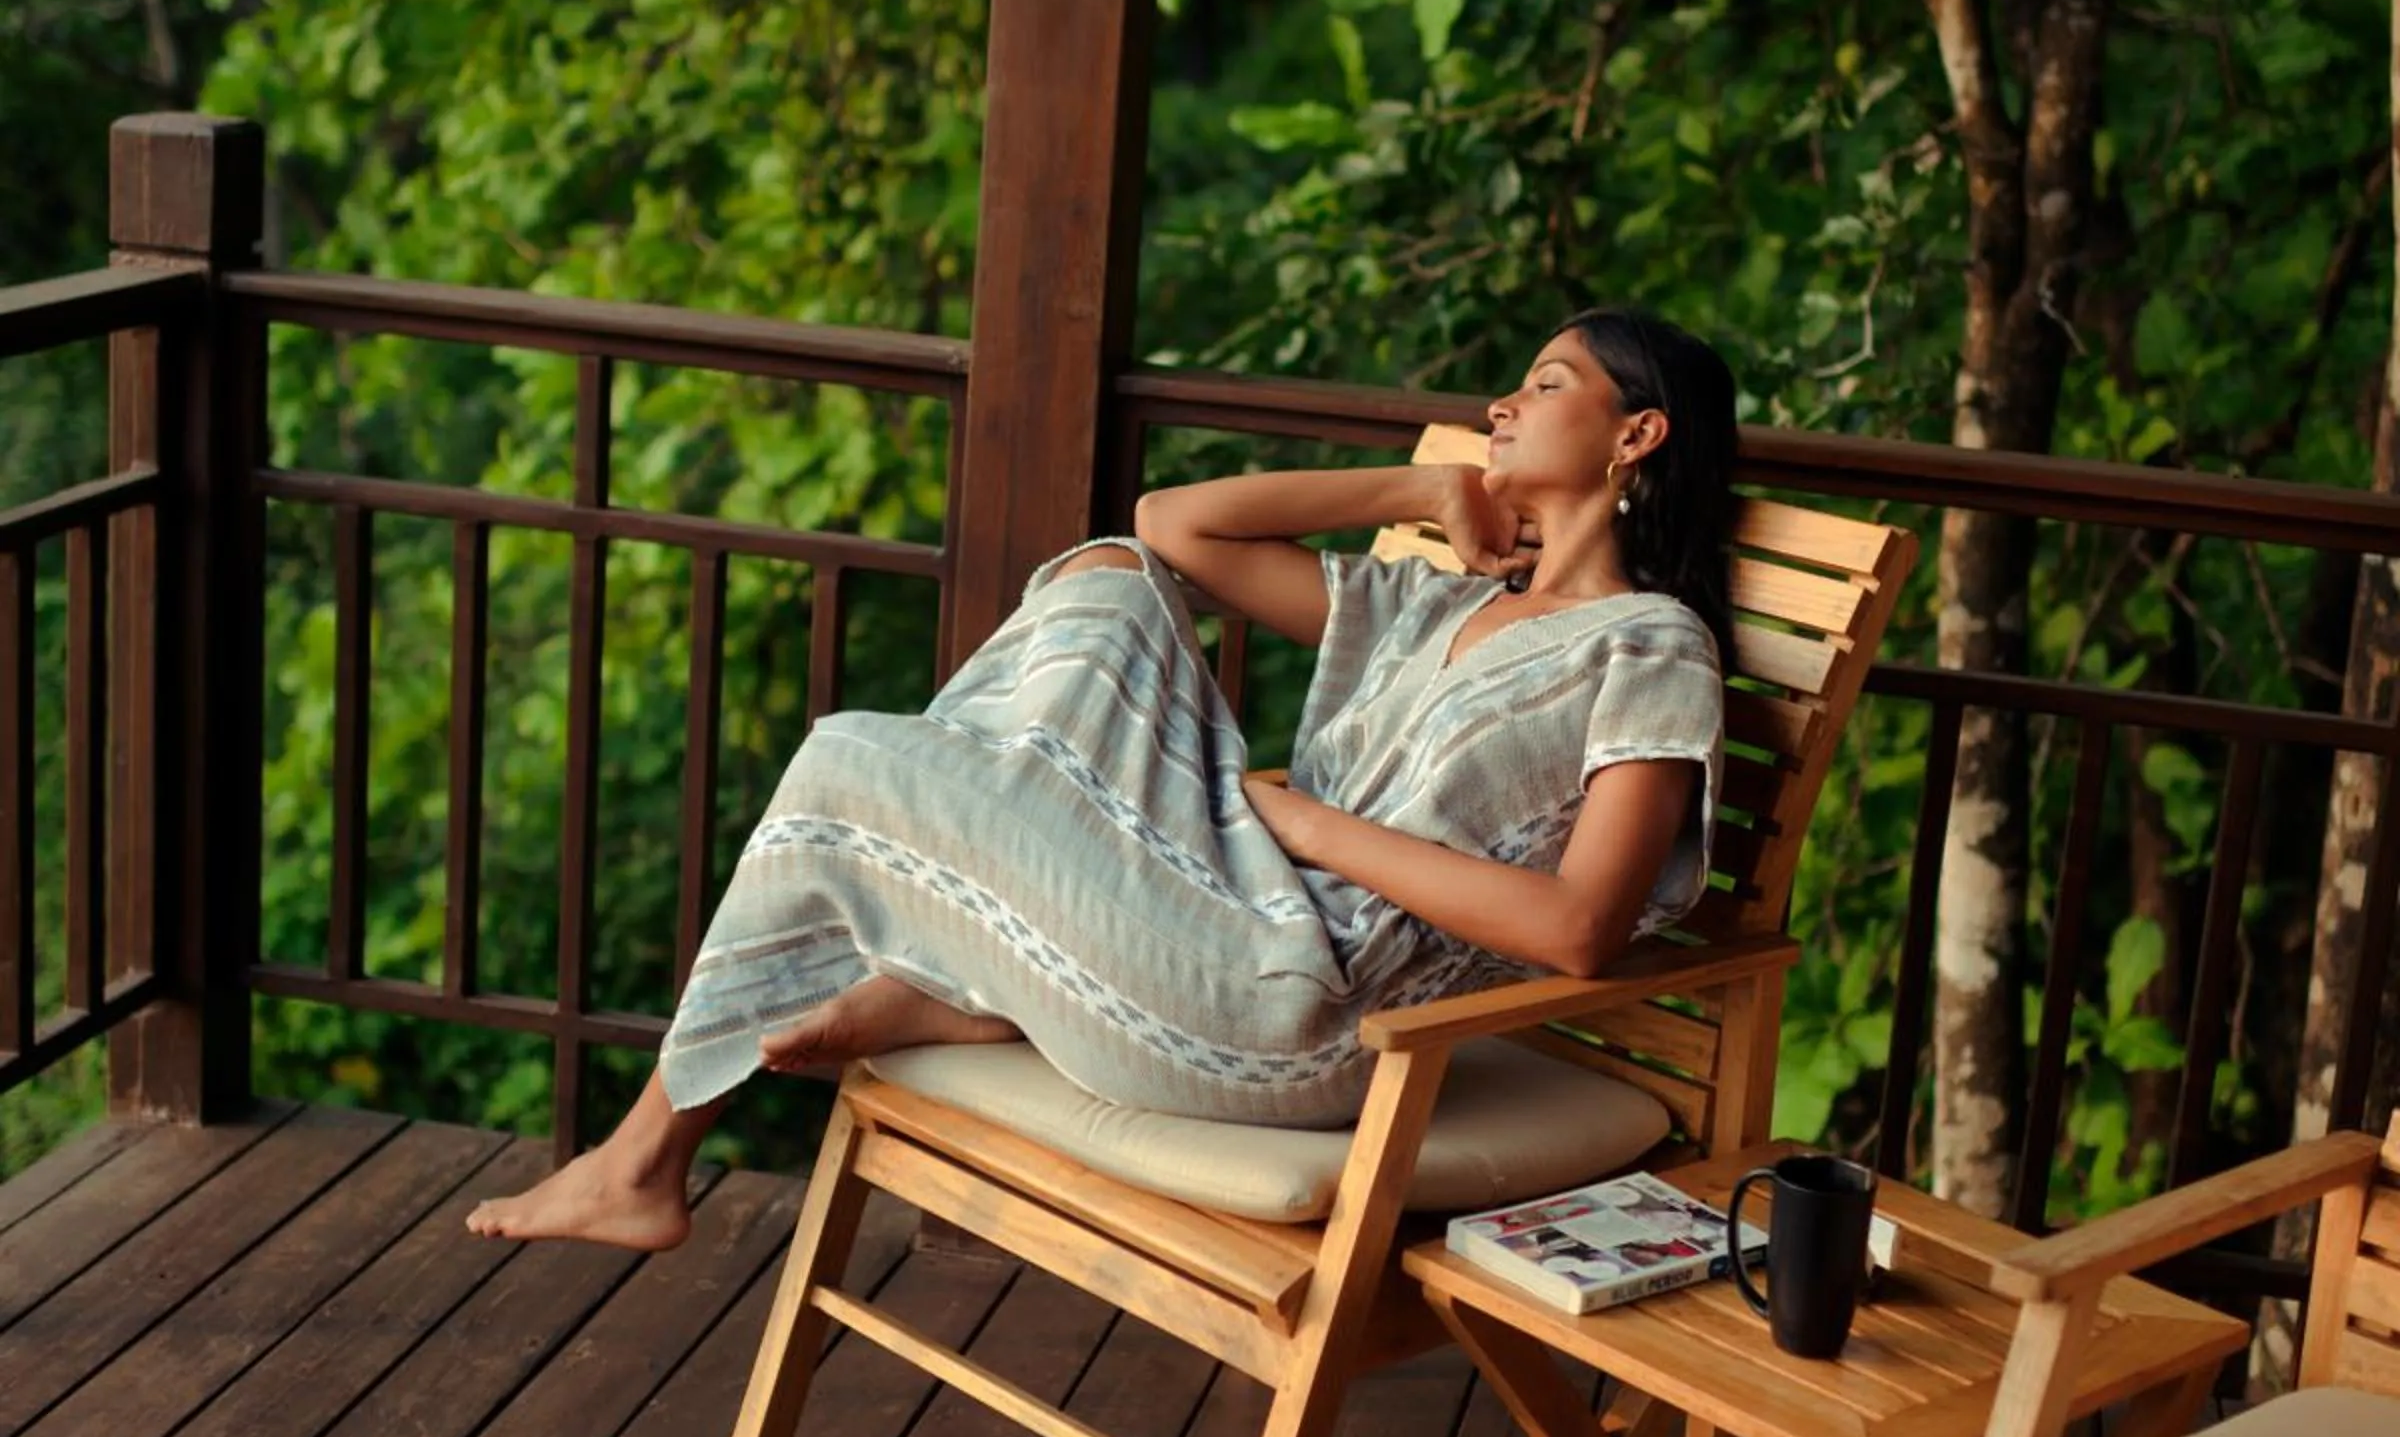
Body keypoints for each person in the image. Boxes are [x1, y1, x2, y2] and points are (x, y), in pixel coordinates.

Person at [465, 305, 1734, 1249]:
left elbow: (1579, 930)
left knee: (852, 754)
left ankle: (658, 1151)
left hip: (1310, 1019)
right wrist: (1418, 486)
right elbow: (1175, 522)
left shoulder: (1648, 645)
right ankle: (953, 983)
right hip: (1230, 906)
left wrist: (1308, 825)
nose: (1503, 405)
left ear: (1637, 433)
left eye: (1543, 385)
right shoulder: (1428, 606)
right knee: (1111, 578)